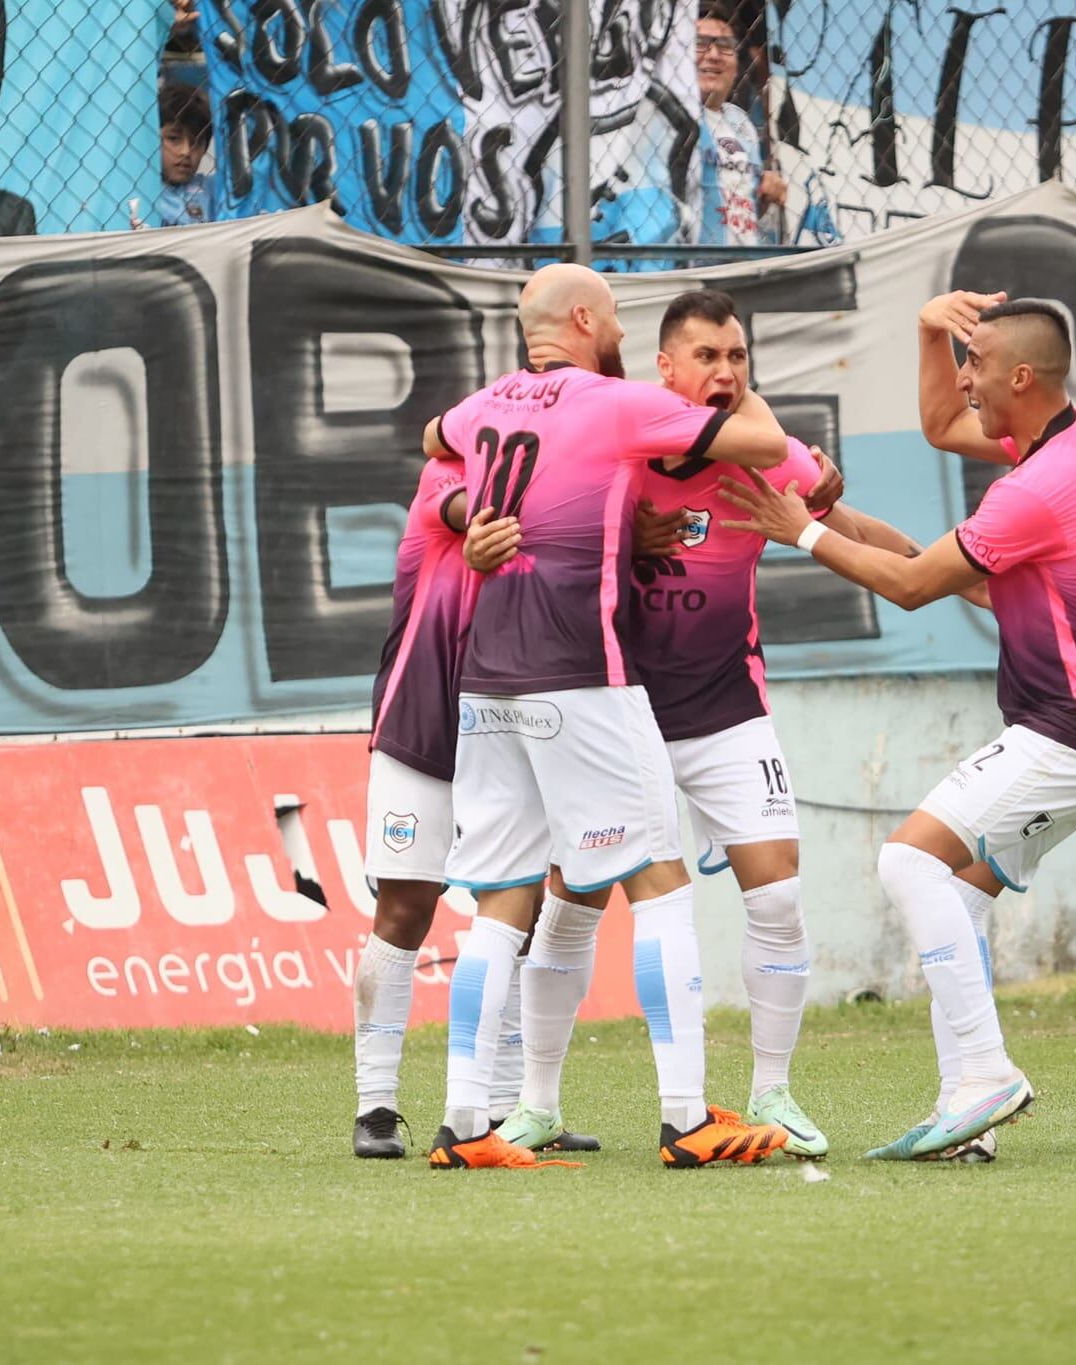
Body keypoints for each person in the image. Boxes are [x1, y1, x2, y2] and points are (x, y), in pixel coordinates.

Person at [463, 289, 921, 1160]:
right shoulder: (610, 451)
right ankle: (537, 1105)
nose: (724, 371)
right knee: (571, 900)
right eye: (705, 357)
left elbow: (850, 526)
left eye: (738, 357)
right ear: (663, 369)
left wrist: (967, 574)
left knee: (778, 889)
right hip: (613, 703)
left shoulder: (760, 465)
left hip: (722, 703)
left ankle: (773, 1092)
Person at [718, 291, 1076, 1162]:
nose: (964, 379)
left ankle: (987, 1073)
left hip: (1073, 730)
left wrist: (801, 531)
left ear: (1021, 376)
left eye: (976, 362)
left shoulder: (1039, 486)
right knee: (953, 894)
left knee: (907, 858)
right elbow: (945, 423)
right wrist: (926, 327)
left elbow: (916, 584)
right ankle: (967, 1112)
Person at [422, 263, 796, 1170]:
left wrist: (473, 507)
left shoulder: (484, 405)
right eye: (619, 316)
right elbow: (761, 440)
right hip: (582, 676)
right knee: (662, 886)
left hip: (488, 683)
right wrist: (735, 384)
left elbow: (432, 438)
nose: (622, 330)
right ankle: (684, 1115)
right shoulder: (612, 402)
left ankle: (465, 1121)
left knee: (501, 902)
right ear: (585, 319)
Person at [349, 453, 601, 1158]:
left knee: (513, 911)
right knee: (405, 908)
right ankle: (375, 1104)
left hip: (509, 729)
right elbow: (471, 515)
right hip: (420, 728)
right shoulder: (444, 474)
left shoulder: (561, 485)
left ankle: (504, 1108)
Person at [690, 4, 787, 250]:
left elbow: (742, 196)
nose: (713, 54)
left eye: (724, 46)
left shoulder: (741, 123)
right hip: (690, 266)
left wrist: (765, 187)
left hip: (741, 264)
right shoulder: (667, 119)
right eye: (700, 43)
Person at [136, 84, 219, 230]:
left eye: (196, 142)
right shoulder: (138, 193)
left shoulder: (214, 190)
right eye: (174, 139)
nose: (186, 151)